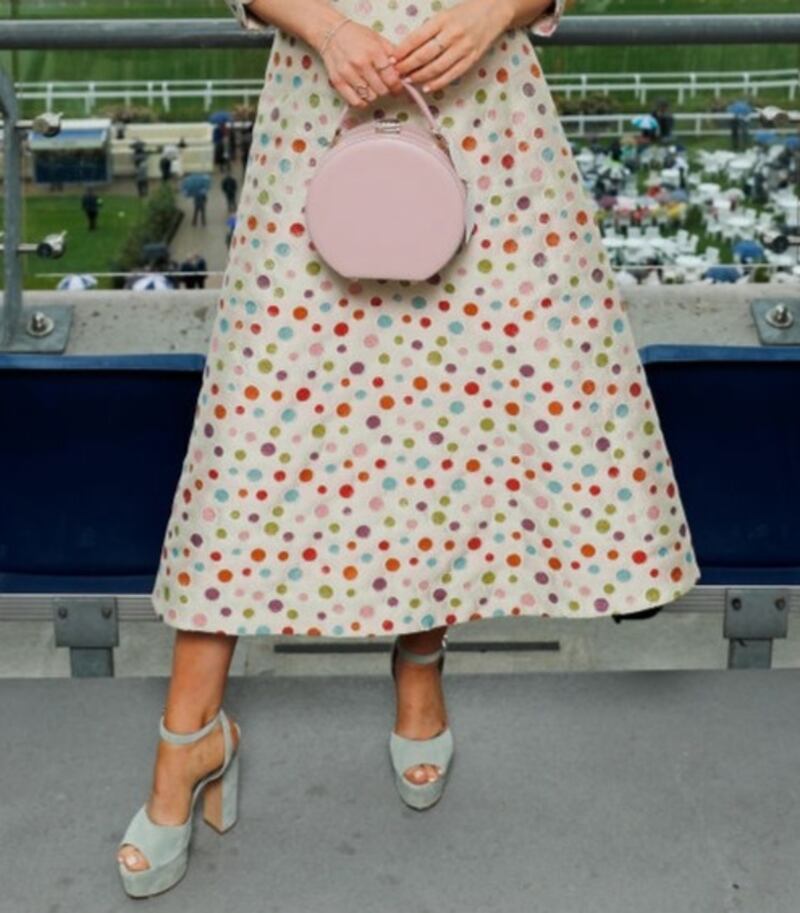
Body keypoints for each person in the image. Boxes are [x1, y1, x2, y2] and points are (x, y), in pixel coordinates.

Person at [116, 0, 702, 897]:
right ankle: (189, 733)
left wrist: (495, 12)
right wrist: (327, 29)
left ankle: (420, 661)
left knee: (444, 416)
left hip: (482, 116)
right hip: (322, 105)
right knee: (253, 434)